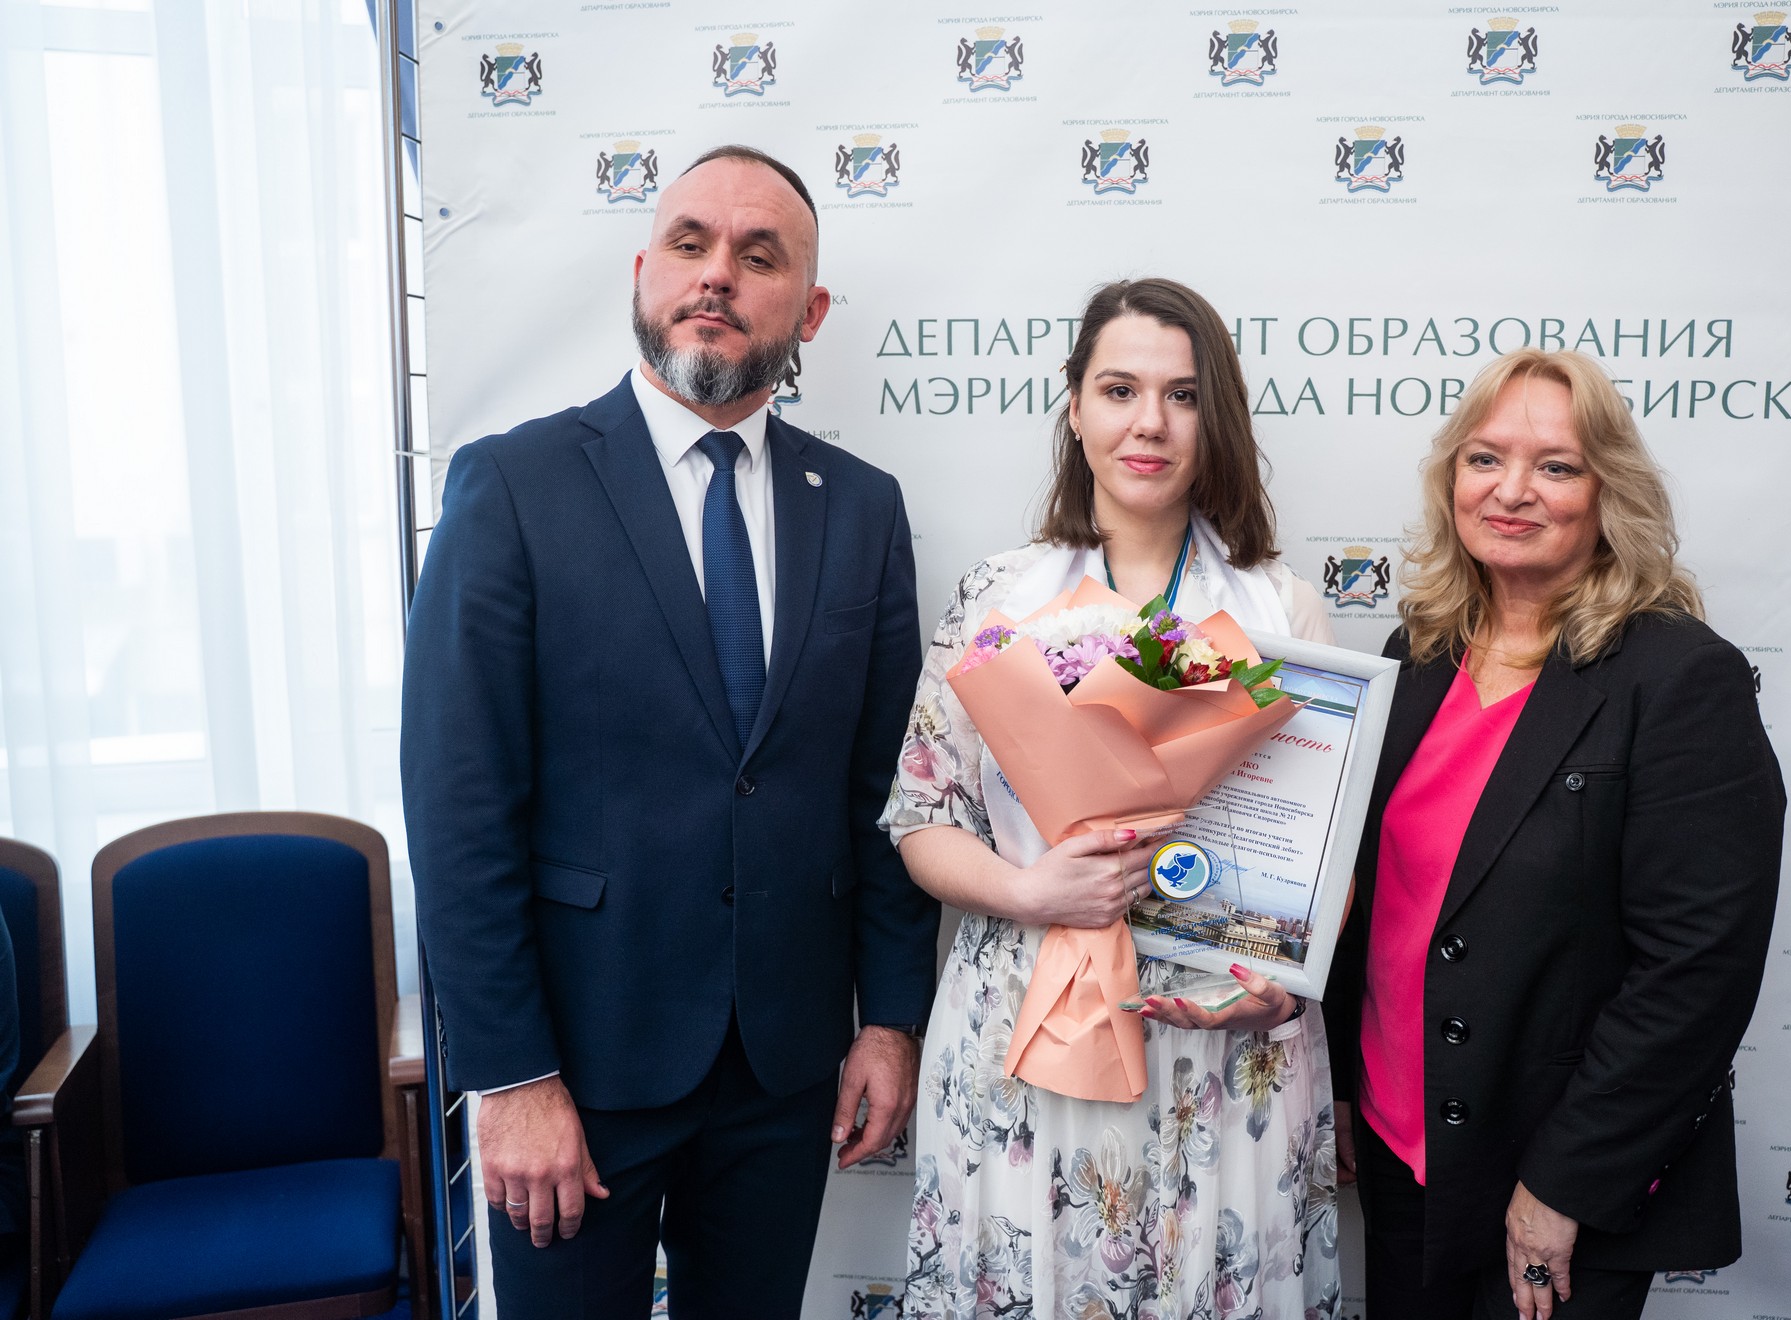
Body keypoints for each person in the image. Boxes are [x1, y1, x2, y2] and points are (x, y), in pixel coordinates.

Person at [403, 144, 938, 1320]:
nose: (718, 274)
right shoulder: (513, 487)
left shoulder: (861, 509)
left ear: (810, 311)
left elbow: (886, 793)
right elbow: (457, 810)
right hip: (577, 1071)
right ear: (642, 273)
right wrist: (512, 1075)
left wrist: (892, 1021)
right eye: (690, 244)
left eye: (759, 256)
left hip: (784, 1068)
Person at [886, 278, 1343, 1319]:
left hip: (1218, 1038)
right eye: (1120, 389)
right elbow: (921, 819)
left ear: (1216, 417)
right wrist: (1030, 890)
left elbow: (1326, 853)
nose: (1150, 424)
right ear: (1075, 404)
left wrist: (1287, 985)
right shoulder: (998, 597)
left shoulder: (1281, 609)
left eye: (1183, 396)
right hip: (1025, 1025)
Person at [1322, 348, 1784, 1320]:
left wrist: (1565, 1184)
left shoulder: (1678, 677)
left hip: (1552, 1179)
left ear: (1609, 491)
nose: (1512, 490)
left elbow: (1696, 970)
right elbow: (1373, 899)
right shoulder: (1417, 653)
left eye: (1557, 466)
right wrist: (1343, 1084)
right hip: (1402, 1148)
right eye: (1485, 458)